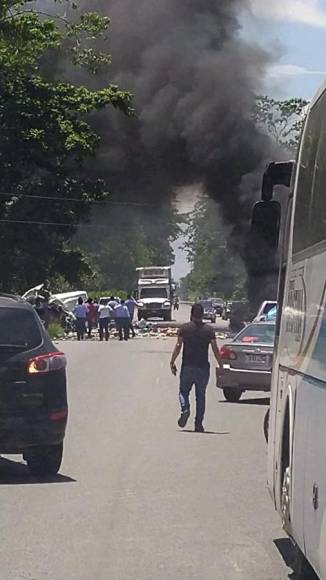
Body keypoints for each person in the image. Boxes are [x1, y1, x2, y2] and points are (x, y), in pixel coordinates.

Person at [170, 303, 223, 433]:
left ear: (191, 314)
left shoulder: (184, 328)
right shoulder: (209, 330)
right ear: (203, 314)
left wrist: (172, 362)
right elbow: (215, 349)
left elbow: (178, 346)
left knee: (183, 392)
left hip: (188, 366)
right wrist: (221, 364)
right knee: (201, 396)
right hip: (203, 368)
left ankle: (185, 408)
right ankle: (198, 424)